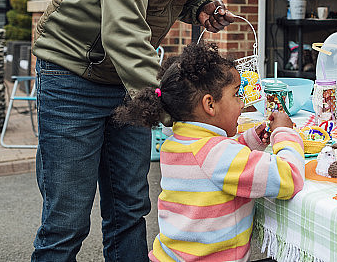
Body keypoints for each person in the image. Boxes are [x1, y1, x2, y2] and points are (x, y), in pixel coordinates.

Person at [30, 0, 270, 261]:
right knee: (66, 220)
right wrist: (172, 106)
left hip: (128, 78)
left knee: (129, 208)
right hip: (74, 72)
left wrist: (198, 7)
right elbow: (122, 25)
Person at [112, 41, 304, 262]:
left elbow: (214, 164)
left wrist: (250, 140)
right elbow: (290, 177)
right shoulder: (218, 155)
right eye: (236, 95)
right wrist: (284, 133)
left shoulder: (176, 143)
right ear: (210, 105)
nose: (242, 104)